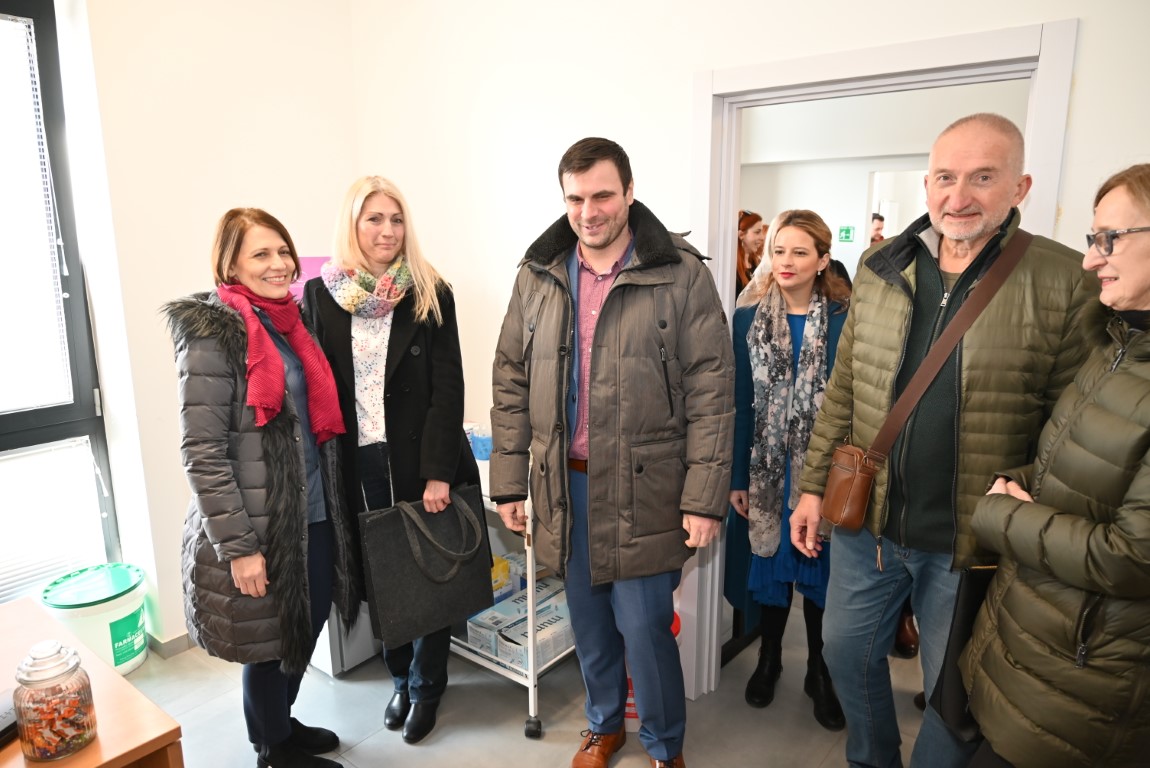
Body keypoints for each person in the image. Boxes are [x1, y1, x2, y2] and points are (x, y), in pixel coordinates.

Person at [788, 113, 1096, 768]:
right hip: (868, 525)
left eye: (983, 178)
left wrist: (1026, 500)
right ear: (927, 184)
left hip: (969, 544)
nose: (959, 197)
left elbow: (1072, 425)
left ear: (1021, 186)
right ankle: (872, 758)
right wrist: (812, 487)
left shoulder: (1065, 280)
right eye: (946, 178)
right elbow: (844, 389)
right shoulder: (880, 267)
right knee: (845, 652)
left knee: (954, 695)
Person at [490, 137, 734, 768]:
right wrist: (510, 482)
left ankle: (664, 745)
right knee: (589, 621)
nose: (588, 211)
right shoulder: (538, 275)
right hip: (564, 483)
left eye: (602, 195)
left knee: (646, 629)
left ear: (628, 192)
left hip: (646, 484)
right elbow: (511, 378)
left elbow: (712, 388)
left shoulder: (680, 273)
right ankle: (603, 725)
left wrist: (703, 498)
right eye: (575, 198)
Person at [959, 163, 1150, 768]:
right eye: (1094, 239)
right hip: (1038, 639)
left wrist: (1000, 514)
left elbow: (1132, 557)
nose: (1091, 260)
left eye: (1109, 239)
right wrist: (1022, 479)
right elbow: (1077, 468)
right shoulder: (1117, 346)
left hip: (1084, 678)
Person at [164, 208, 361, 768]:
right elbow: (202, 452)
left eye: (283, 251)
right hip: (258, 521)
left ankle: (280, 723)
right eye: (261, 254)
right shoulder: (213, 335)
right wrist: (240, 549)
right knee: (270, 640)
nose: (279, 264)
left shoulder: (290, 322)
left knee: (307, 622)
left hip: (312, 506)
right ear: (231, 265)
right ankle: (273, 748)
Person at [303, 176, 479, 746]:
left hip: (417, 457)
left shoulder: (430, 291)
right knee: (383, 578)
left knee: (428, 573)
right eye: (374, 218)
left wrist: (438, 473)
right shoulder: (321, 295)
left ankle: (427, 687)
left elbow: (448, 388)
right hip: (356, 462)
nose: (387, 230)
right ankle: (400, 678)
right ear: (352, 225)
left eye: (396, 219)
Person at [729, 210, 850, 730]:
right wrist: (737, 478)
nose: (786, 261)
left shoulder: (845, 320)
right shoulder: (747, 320)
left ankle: (819, 671)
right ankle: (770, 657)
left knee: (819, 574)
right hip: (766, 474)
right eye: (778, 250)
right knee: (773, 568)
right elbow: (741, 403)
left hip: (821, 474)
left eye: (800, 252)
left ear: (822, 260)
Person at [737, 209, 766, 294]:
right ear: (741, 235)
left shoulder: (757, 264)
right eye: (757, 232)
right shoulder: (733, 270)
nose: (762, 237)